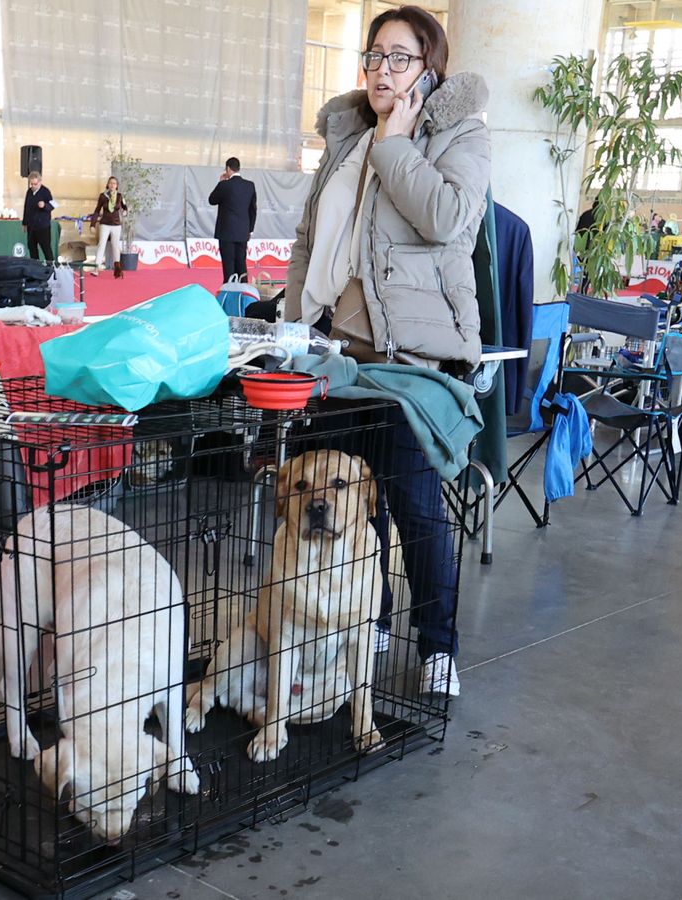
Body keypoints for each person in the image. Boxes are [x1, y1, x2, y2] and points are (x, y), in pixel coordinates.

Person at [283, 3, 489, 694]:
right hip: (335, 355)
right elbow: (311, 241)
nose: (380, 69)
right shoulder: (347, 138)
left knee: (414, 505)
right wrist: (292, 330)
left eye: (399, 57)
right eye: (373, 56)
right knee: (348, 503)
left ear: (429, 69)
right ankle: (372, 617)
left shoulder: (457, 134)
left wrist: (397, 146)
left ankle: (438, 646)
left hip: (408, 357)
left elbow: (450, 219)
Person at [209, 156, 257, 282]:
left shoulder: (224, 185)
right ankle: (244, 291)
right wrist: (250, 230)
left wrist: (220, 182)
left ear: (228, 169)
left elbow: (212, 200)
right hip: (243, 232)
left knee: (228, 265)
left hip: (226, 232)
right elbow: (253, 210)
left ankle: (230, 291)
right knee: (241, 263)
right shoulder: (249, 186)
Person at [90, 176, 128, 278]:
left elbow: (125, 207)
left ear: (117, 186)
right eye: (110, 183)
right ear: (108, 184)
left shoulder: (120, 196)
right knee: (101, 245)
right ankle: (96, 268)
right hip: (104, 224)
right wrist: (92, 224)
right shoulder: (103, 196)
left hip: (116, 225)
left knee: (115, 246)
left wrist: (125, 211)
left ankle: (117, 270)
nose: (112, 185)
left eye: (114, 183)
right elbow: (97, 210)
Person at [21, 170, 54, 263]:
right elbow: (26, 207)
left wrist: (44, 206)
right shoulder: (29, 192)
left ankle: (51, 267)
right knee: (32, 247)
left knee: (46, 248)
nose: (33, 186)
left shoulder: (46, 192)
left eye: (35, 184)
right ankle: (35, 267)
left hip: (43, 226)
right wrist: (24, 222)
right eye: (31, 184)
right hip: (31, 226)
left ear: (40, 182)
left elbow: (52, 205)